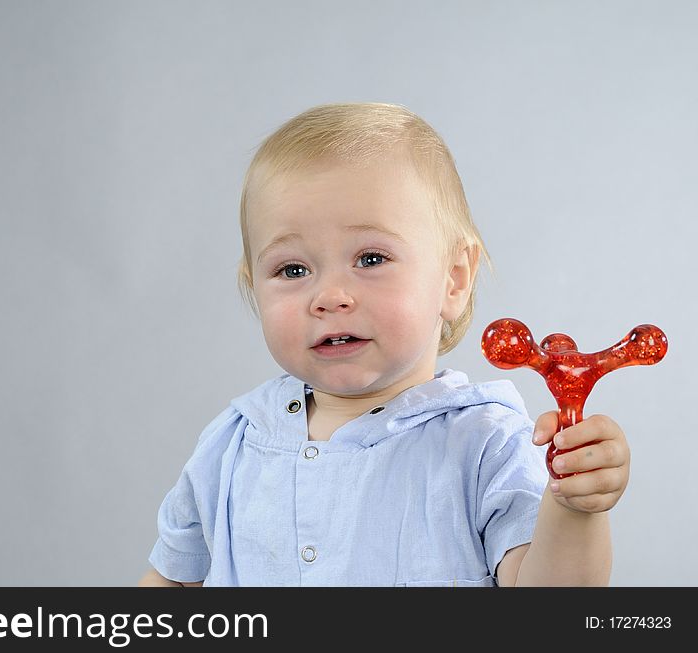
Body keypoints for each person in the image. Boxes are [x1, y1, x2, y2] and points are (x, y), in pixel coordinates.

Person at [137, 102, 629, 587]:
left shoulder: (485, 444)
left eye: (371, 258)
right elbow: (173, 584)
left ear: (454, 280)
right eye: (292, 270)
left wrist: (574, 510)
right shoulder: (231, 444)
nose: (329, 296)